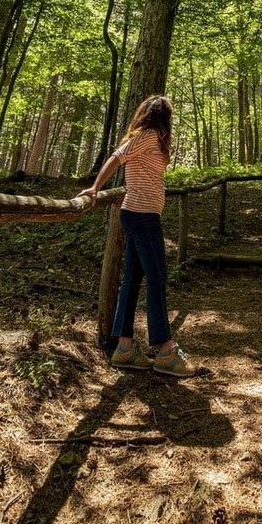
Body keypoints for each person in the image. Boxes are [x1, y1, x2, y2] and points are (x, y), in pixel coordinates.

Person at [79, 95, 195, 377]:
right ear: (162, 116)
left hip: (141, 214)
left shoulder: (153, 137)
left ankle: (125, 346)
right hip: (141, 216)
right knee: (157, 278)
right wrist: (95, 187)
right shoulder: (148, 134)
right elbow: (116, 158)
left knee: (132, 280)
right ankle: (166, 349)